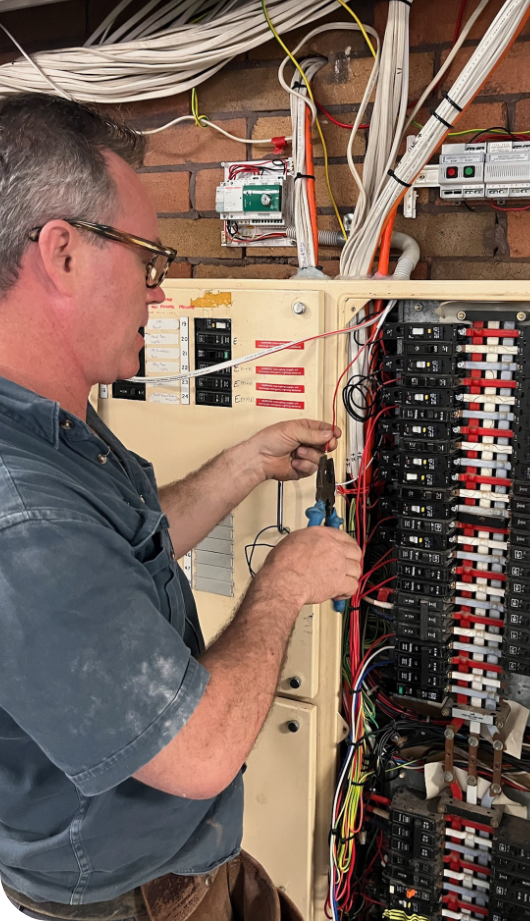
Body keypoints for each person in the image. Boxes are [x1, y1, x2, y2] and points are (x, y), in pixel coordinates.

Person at [0, 93, 362, 921]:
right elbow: (198, 752)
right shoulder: (21, 512)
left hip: (192, 868)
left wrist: (241, 466)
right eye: (147, 258)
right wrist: (283, 581)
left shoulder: (54, 426)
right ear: (61, 254)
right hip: (125, 902)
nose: (159, 293)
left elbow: (115, 552)